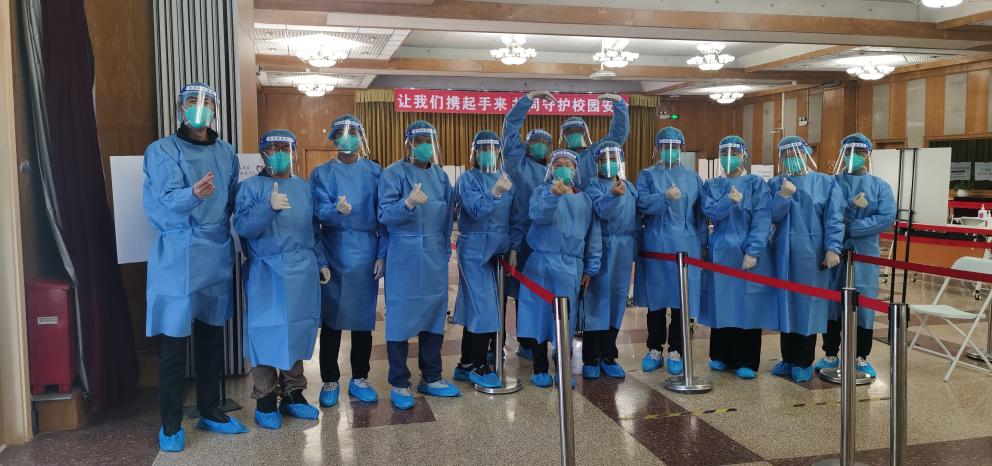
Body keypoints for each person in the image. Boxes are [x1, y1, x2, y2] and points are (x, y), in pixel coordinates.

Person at [143, 82, 248, 451]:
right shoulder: (162, 150)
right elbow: (167, 197)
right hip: (179, 252)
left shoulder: (226, 152)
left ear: (215, 111)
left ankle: (211, 409)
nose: (199, 108)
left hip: (215, 249)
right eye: (191, 102)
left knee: (211, 337)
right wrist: (193, 193)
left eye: (206, 103)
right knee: (174, 341)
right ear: (180, 109)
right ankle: (170, 424)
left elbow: (233, 199)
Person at [234, 130, 329, 429]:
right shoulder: (250, 188)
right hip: (266, 271)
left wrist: (321, 262)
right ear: (262, 154)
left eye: (284, 148)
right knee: (264, 331)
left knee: (296, 329)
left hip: (302, 270)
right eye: (272, 148)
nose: (278, 154)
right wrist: (268, 207)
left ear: (293, 152)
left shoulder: (302, 187)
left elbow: (313, 230)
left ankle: (293, 394)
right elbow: (243, 226)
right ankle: (264, 399)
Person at [378, 120, 459, 409]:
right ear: (408, 143)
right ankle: (400, 381)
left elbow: (448, 217)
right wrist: (407, 204)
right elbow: (384, 216)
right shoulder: (393, 174)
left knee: (434, 314)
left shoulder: (441, 177)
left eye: (429, 140)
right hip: (403, 255)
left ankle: (432, 376)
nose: (424, 146)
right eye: (419, 140)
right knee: (400, 318)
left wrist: (444, 247)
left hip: (434, 256)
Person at [311, 114, 385, 407]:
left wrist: (382, 254)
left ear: (361, 138)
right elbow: (315, 216)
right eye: (342, 133)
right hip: (334, 250)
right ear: (333, 138)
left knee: (363, 321)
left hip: (366, 251)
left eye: (353, 133)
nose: (347, 138)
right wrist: (334, 211)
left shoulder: (375, 172)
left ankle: (360, 378)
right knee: (331, 320)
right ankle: (330, 379)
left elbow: (384, 217)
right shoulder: (321, 174)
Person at [517, 149, 602, 387]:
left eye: (568, 164)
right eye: (559, 164)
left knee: (566, 318)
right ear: (552, 169)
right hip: (540, 263)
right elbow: (538, 215)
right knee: (538, 315)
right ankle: (539, 368)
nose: (563, 168)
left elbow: (593, 237)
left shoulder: (585, 200)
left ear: (575, 170)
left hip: (570, 265)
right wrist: (553, 195)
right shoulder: (542, 192)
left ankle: (563, 367)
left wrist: (591, 268)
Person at [816, 133, 896, 378]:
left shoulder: (880, 186)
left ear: (868, 154)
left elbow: (886, 218)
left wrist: (850, 226)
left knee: (864, 304)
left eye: (859, 152)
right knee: (831, 303)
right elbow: (824, 213)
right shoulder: (832, 183)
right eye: (849, 151)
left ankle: (861, 356)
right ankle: (830, 353)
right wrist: (848, 209)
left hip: (865, 253)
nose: (854, 156)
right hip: (834, 250)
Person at [767, 136, 845, 383]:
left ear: (805, 154)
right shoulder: (776, 183)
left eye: (795, 154)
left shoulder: (825, 182)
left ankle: (803, 360)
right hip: (783, 252)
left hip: (812, 253)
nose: (791, 158)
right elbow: (770, 216)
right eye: (786, 155)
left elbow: (834, 217)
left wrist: (833, 247)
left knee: (808, 306)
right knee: (786, 304)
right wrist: (782, 196)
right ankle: (788, 357)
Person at [698, 136, 775, 380]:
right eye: (724, 153)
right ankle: (721, 354)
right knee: (721, 302)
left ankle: (747, 359)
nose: (728, 157)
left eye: (734, 153)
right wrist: (728, 202)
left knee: (747, 305)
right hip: (720, 250)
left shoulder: (756, 184)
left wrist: (753, 251)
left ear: (744, 155)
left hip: (745, 252)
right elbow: (709, 210)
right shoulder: (712, 184)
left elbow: (762, 218)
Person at [633, 126, 706, 376]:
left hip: (686, 244)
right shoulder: (647, 175)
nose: (670, 150)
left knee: (680, 301)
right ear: (658, 148)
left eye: (674, 147)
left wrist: (703, 245)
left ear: (682, 149)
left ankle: (677, 349)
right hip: (656, 243)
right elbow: (642, 203)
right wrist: (663, 198)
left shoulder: (693, 178)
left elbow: (700, 216)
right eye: (665, 146)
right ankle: (654, 348)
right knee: (656, 301)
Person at [451, 130, 522, 389]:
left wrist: (514, 248)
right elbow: (475, 210)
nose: (487, 153)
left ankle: (466, 362)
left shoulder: (507, 180)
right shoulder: (467, 179)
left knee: (486, 306)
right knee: (483, 307)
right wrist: (494, 193)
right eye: (482, 149)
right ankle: (480, 365)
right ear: (475, 153)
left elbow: (515, 218)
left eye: (492, 149)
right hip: (474, 249)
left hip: (499, 250)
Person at [502, 91, 556, 361]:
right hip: (518, 237)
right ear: (526, 145)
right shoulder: (517, 165)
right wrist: (527, 99)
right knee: (514, 293)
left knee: (538, 293)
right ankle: (509, 344)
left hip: (545, 241)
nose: (540, 146)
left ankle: (535, 342)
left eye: (545, 143)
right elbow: (510, 129)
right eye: (535, 141)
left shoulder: (553, 172)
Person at [580, 142, 637, 380]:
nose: (608, 163)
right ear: (597, 163)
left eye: (613, 159)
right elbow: (599, 211)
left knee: (617, 301)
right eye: (603, 159)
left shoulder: (630, 187)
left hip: (624, 248)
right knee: (597, 302)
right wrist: (611, 196)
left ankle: (609, 355)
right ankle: (591, 357)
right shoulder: (592, 186)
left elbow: (637, 218)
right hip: (601, 246)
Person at [557, 93, 629, 189]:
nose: (574, 133)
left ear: (585, 133)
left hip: (595, 196)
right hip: (568, 197)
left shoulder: (594, 152)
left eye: (579, 130)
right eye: (569, 131)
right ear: (564, 135)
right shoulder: (559, 159)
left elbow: (618, 134)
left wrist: (619, 104)